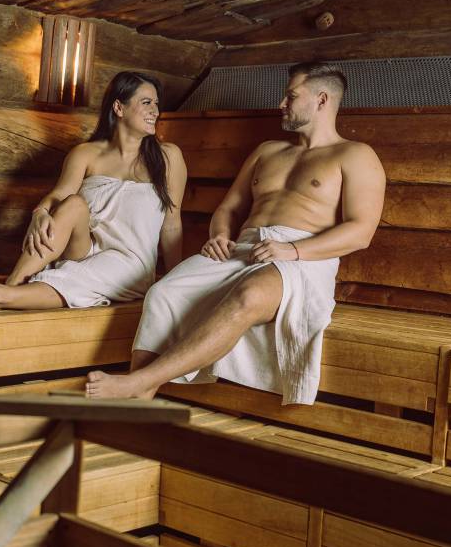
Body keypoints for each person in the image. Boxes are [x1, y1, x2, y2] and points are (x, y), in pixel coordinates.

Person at [85, 61, 384, 405]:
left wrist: (293, 251)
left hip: (304, 258)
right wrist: (220, 235)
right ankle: (141, 399)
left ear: (321, 99)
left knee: (249, 296)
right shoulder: (268, 152)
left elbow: (361, 231)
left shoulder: (355, 155)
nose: (281, 104)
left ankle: (137, 382)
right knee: (164, 292)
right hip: (243, 247)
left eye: (291, 96)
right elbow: (229, 208)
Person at [0, 71, 185, 315]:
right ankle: (12, 284)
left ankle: (0, 295)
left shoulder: (168, 158)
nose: (155, 111)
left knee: (84, 275)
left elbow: (171, 225)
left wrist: (174, 285)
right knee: (74, 203)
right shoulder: (86, 154)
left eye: (156, 104)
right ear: (119, 108)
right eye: (146, 103)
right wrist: (40, 213)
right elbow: (60, 195)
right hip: (83, 249)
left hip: (129, 261)